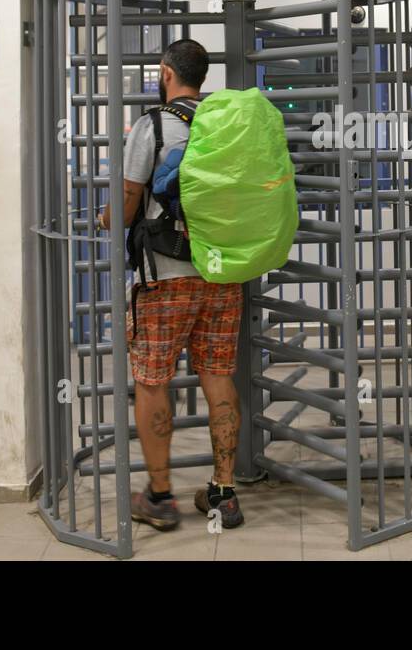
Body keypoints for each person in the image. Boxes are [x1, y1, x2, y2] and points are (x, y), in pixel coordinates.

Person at [99, 39, 244, 531]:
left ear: (165, 73)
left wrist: (106, 219)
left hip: (165, 278)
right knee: (219, 375)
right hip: (223, 274)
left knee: (152, 380)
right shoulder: (227, 123)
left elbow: (125, 207)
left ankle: (161, 497)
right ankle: (224, 495)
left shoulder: (152, 126)